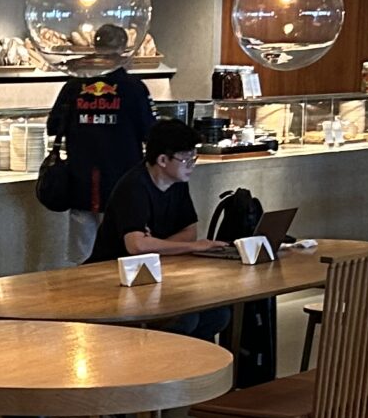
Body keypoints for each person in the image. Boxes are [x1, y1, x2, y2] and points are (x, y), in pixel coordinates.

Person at [87, 117, 235, 339]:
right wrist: (188, 246)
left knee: (217, 314)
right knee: (185, 318)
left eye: (193, 158)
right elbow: (135, 245)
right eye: (186, 160)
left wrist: (154, 244)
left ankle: (197, 370)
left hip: (154, 271)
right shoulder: (134, 186)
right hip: (113, 276)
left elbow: (189, 231)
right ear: (163, 160)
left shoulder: (177, 183)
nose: (191, 165)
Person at [46, 63, 155, 262]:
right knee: (123, 251)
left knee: (83, 254)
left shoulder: (73, 86)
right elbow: (150, 131)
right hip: (123, 181)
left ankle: (83, 290)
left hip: (81, 180)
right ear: (122, 51)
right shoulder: (134, 87)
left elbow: (53, 126)